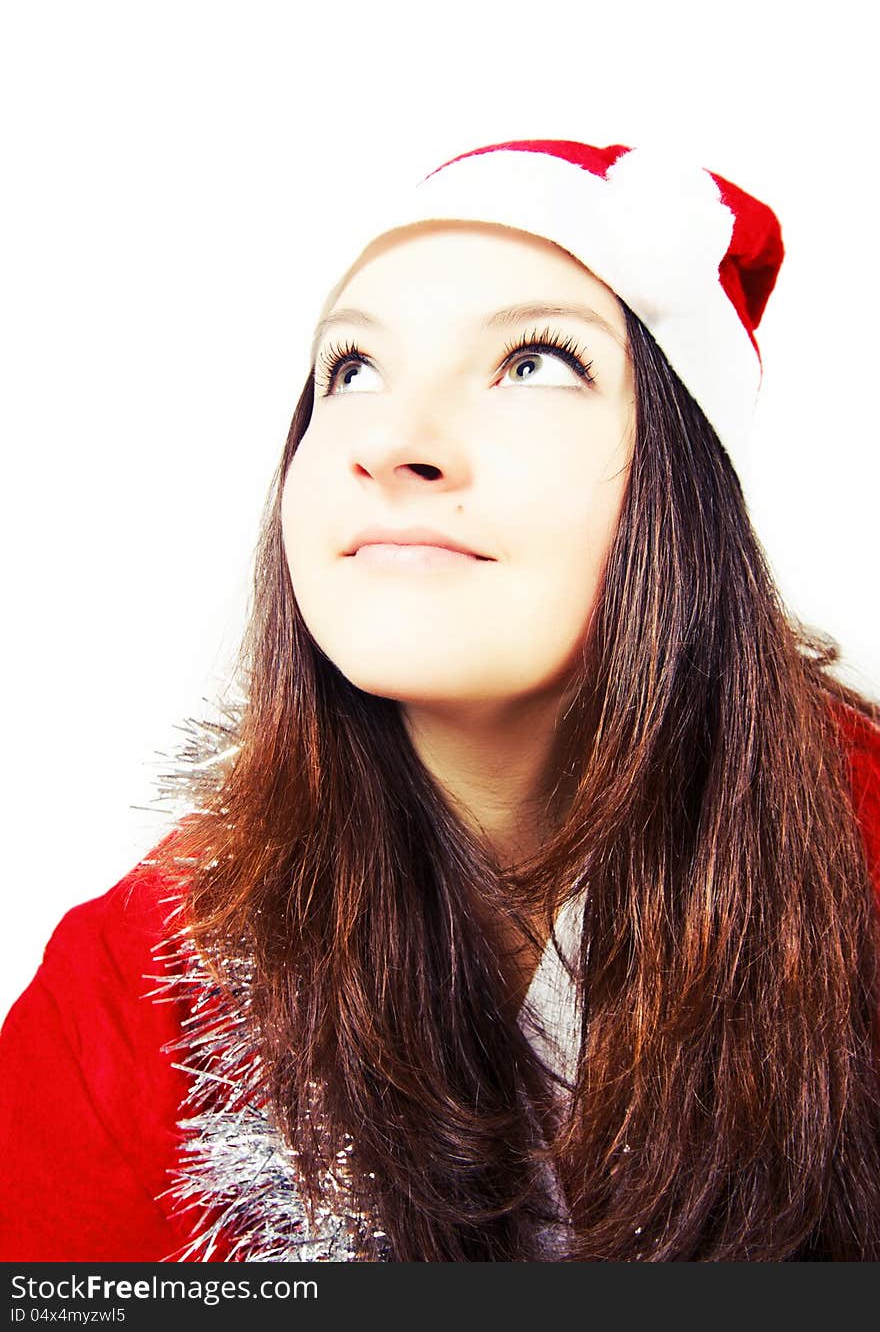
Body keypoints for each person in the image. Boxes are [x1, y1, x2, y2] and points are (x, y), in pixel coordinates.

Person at [2, 137, 879, 1263]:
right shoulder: (138, 986)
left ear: (685, 484)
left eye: (534, 363)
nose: (392, 442)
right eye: (351, 370)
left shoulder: (854, 863)